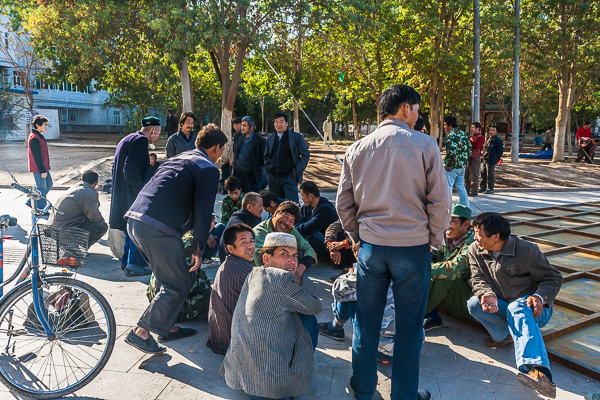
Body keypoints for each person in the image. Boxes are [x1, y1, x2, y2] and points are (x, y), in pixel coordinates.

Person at [337, 84, 451, 400]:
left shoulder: (357, 148)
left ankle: (362, 389)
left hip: (371, 249)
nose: (417, 116)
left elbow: (343, 202)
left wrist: (356, 237)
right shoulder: (426, 145)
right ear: (405, 108)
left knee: (366, 324)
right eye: (415, 109)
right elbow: (440, 201)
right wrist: (434, 240)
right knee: (410, 329)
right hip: (412, 250)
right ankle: (404, 395)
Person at [123, 123, 226, 354]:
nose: (221, 155)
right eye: (222, 150)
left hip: (135, 220)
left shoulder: (178, 159)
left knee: (165, 278)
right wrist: (199, 250)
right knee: (178, 283)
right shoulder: (208, 167)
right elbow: (203, 210)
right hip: (158, 228)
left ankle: (166, 326)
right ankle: (141, 332)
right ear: (217, 147)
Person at [467, 213, 562, 398]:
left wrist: (539, 297)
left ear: (496, 236)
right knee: (474, 305)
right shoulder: (474, 249)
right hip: (505, 304)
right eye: (475, 232)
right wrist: (487, 294)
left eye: (479, 233)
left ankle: (539, 372)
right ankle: (506, 336)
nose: (475, 237)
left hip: (534, 309)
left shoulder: (527, 250)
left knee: (516, 307)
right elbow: (477, 277)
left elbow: (553, 277)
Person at [220, 232, 322, 400]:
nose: (292, 260)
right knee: (308, 318)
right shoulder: (281, 279)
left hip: (242, 375)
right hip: (269, 386)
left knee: (294, 311)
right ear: (266, 258)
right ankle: (293, 380)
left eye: (295, 255)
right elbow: (315, 307)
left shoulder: (254, 272)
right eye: (284, 254)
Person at [109, 116, 160, 277]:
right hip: (132, 194)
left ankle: (126, 261)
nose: (158, 136)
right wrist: (142, 192)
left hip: (123, 194)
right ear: (152, 129)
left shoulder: (128, 138)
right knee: (137, 228)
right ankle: (134, 265)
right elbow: (130, 170)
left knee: (129, 229)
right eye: (158, 132)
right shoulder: (140, 141)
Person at [423, 203, 475, 331]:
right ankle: (426, 313)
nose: (447, 225)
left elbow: (453, 269)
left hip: (467, 302)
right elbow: (429, 257)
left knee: (444, 276)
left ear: (466, 224)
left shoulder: (472, 244)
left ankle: (423, 316)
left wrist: (421, 269)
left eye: (452, 221)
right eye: (445, 220)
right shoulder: (446, 238)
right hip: (446, 298)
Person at [207, 223, 255, 355]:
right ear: (230, 248)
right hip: (234, 344)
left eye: (251, 241)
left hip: (219, 339)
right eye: (243, 242)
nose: (250, 246)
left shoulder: (225, 263)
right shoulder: (246, 271)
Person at [146, 230, 212, 322]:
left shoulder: (176, 233)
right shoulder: (192, 242)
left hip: (155, 300)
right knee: (215, 296)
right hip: (171, 310)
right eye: (210, 219)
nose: (212, 223)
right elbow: (187, 284)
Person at [253, 201, 317, 283]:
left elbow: (310, 250)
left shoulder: (291, 230)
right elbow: (260, 261)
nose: (287, 223)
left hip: (283, 271)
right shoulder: (259, 232)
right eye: (286, 217)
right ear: (275, 213)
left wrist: (299, 270)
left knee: (299, 252)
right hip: (261, 275)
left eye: (292, 220)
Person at [49, 170, 108, 248]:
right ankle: (77, 248)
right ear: (96, 183)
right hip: (63, 232)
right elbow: (95, 217)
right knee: (102, 226)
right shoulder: (88, 193)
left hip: (54, 229)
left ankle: (73, 246)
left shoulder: (75, 187)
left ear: (80, 179)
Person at [264, 112, 310, 203]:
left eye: (281, 121)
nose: (279, 124)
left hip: (289, 176)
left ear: (287, 123)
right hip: (273, 177)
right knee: (275, 205)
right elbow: (266, 157)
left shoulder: (296, 137)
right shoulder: (270, 139)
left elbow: (305, 155)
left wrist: (296, 171)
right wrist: (267, 171)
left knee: (292, 205)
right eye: (276, 122)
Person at [296, 181, 339, 260]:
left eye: (303, 196)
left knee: (309, 232)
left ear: (310, 196)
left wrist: (292, 230)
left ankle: (300, 257)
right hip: (319, 241)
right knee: (299, 217)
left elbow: (309, 227)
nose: (301, 199)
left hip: (331, 246)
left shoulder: (326, 209)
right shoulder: (308, 206)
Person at [219, 192, 264, 263]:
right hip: (237, 264)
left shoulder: (236, 215)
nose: (263, 209)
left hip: (224, 261)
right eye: (260, 205)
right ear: (249, 207)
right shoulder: (252, 221)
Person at [231, 116, 266, 194]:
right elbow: (235, 152)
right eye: (242, 125)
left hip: (251, 176)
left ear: (251, 127)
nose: (242, 128)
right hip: (238, 173)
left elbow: (262, 159)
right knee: (238, 198)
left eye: (244, 126)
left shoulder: (260, 141)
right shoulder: (237, 137)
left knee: (251, 199)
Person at [443, 115, 471, 207]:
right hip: (462, 165)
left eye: (445, 125)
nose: (444, 127)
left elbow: (451, 151)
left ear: (450, 125)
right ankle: (466, 206)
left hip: (452, 167)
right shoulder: (463, 134)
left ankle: (447, 206)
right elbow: (469, 148)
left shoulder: (451, 136)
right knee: (461, 186)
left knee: (448, 187)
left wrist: (449, 164)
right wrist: (464, 160)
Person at [27, 115, 53, 212]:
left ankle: (31, 200)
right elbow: (37, 156)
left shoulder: (39, 136)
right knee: (41, 189)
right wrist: (42, 171)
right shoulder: (34, 138)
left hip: (44, 167)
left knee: (49, 185)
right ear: (38, 125)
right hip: (39, 168)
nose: (46, 126)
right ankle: (42, 210)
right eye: (45, 125)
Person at [479, 125, 504, 195]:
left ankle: (490, 189)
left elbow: (500, 151)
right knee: (483, 174)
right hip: (485, 158)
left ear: (496, 132)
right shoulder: (488, 138)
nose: (491, 132)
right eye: (490, 130)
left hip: (491, 160)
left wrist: (496, 159)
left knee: (490, 174)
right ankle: (483, 187)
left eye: (493, 130)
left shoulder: (498, 141)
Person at [465, 122, 485, 197]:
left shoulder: (480, 137)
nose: (471, 129)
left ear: (478, 128)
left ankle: (473, 192)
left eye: (473, 127)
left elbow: (476, 145)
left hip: (475, 158)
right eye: (471, 127)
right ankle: (466, 191)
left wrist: (468, 141)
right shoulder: (471, 136)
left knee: (473, 176)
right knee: (466, 176)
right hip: (468, 157)